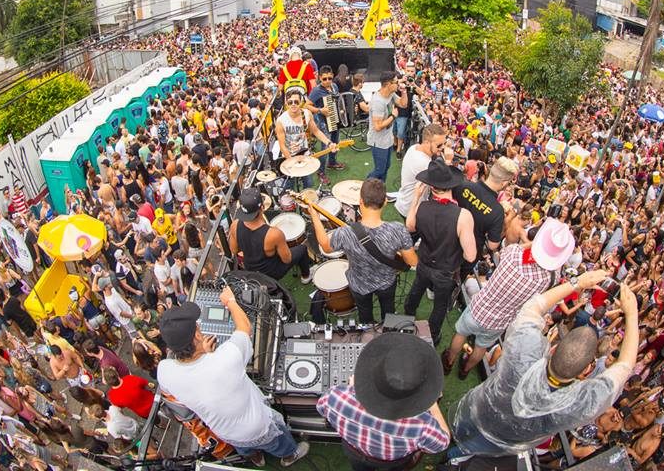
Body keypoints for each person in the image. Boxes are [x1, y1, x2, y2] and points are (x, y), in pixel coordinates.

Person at [450, 269, 640, 456]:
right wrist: (632, 316)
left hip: (480, 408)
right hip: (506, 439)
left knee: (459, 430)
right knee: (463, 453)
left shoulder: (526, 349)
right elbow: (625, 366)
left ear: (554, 347)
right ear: (586, 371)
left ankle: (449, 442)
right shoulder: (578, 404)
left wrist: (578, 283)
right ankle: (451, 457)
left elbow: (533, 306)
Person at [157, 294, 310, 466]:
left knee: (245, 448)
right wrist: (230, 301)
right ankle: (289, 455)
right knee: (278, 440)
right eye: (197, 327)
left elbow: (194, 382)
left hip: (225, 432)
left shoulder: (164, 371)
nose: (199, 327)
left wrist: (206, 356)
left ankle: (257, 459)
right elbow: (245, 327)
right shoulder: (226, 358)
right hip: (258, 426)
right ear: (197, 337)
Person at [444, 216, 575, 380]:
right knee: (481, 347)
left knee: (461, 333)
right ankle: (465, 371)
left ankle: (448, 363)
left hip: (480, 306)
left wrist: (535, 245)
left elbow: (505, 251)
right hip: (500, 321)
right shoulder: (550, 278)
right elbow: (554, 269)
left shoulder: (514, 253)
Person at [316, 333, 450, 470]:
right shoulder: (424, 427)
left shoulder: (336, 398)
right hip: (393, 462)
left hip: (355, 452)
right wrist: (432, 403)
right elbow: (443, 442)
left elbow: (321, 407)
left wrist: (352, 389)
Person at [309, 179, 418, 324]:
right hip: (386, 282)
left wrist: (315, 217)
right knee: (389, 311)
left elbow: (326, 246)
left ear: (360, 201)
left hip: (359, 284)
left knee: (364, 314)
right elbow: (412, 261)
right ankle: (389, 331)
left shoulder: (345, 233)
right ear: (385, 201)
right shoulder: (397, 229)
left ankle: (367, 330)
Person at [404, 160, 477, 345]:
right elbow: (470, 256)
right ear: (451, 184)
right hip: (445, 271)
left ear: (430, 186)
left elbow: (410, 226)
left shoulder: (422, 207)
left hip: (425, 263)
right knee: (439, 305)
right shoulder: (463, 216)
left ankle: (406, 321)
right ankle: (432, 336)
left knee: (415, 292)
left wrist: (416, 197)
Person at [229, 188, 312, 283]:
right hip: (271, 273)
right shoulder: (273, 234)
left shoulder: (234, 225)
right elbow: (287, 259)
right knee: (302, 249)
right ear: (262, 207)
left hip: (250, 269)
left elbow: (234, 250)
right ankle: (306, 277)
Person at [452, 157, 518, 268]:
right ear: (504, 183)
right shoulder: (497, 211)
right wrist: (508, 219)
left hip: (445, 238)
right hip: (466, 255)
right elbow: (493, 245)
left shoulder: (464, 185)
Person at [275, 86, 337, 187]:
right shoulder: (281, 121)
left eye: (296, 102)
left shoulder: (307, 114)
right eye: (290, 102)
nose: (293, 105)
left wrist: (329, 143)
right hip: (289, 158)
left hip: (305, 156)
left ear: (301, 102)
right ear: (286, 103)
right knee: (288, 187)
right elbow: (282, 146)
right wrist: (291, 161)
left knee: (309, 184)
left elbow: (316, 131)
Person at [395, 124, 447, 220]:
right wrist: (448, 161)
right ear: (427, 142)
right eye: (439, 145)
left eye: (444, 143)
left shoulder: (414, 147)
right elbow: (444, 182)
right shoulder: (423, 163)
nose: (442, 147)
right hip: (411, 209)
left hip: (405, 201)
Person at [367, 70, 409, 184]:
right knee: (379, 170)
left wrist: (404, 91)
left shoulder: (390, 94)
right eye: (396, 82)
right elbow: (377, 126)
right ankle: (366, 187)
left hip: (387, 140)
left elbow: (403, 104)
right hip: (378, 142)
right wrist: (392, 116)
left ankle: (381, 190)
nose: (398, 84)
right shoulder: (378, 101)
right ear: (388, 84)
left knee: (386, 166)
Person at [308, 65, 346, 175]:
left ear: (333, 76)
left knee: (335, 142)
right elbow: (306, 105)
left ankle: (332, 162)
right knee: (325, 146)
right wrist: (320, 110)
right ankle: (321, 171)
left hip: (334, 120)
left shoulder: (334, 86)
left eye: (330, 78)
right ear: (320, 78)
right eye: (324, 79)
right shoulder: (317, 90)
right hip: (323, 122)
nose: (327, 81)